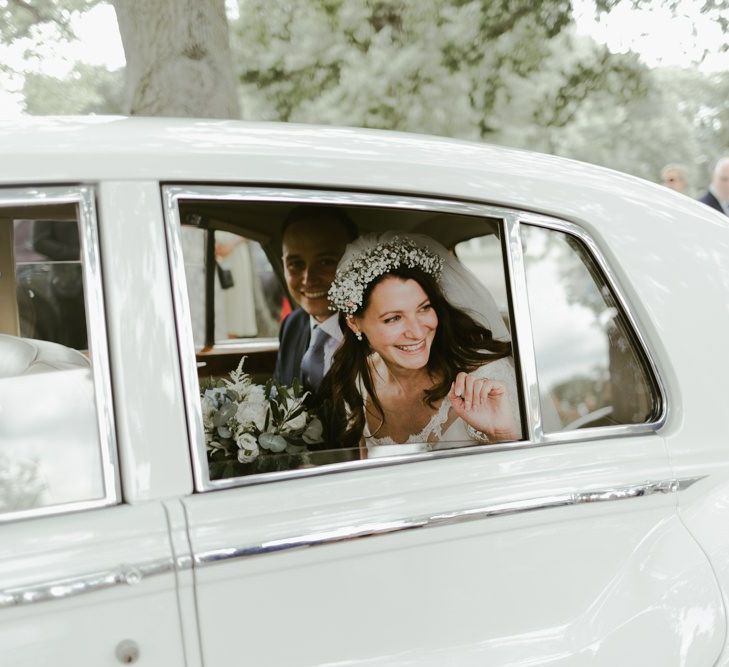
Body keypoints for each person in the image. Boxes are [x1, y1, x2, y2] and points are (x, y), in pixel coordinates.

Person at [325, 232, 521, 458]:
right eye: (393, 318)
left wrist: (503, 435)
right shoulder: (360, 378)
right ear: (354, 323)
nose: (417, 332)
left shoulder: (487, 379)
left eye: (424, 308)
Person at [274, 206, 357, 391]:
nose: (308, 279)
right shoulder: (291, 325)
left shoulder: (376, 333)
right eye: (295, 264)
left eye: (325, 262)